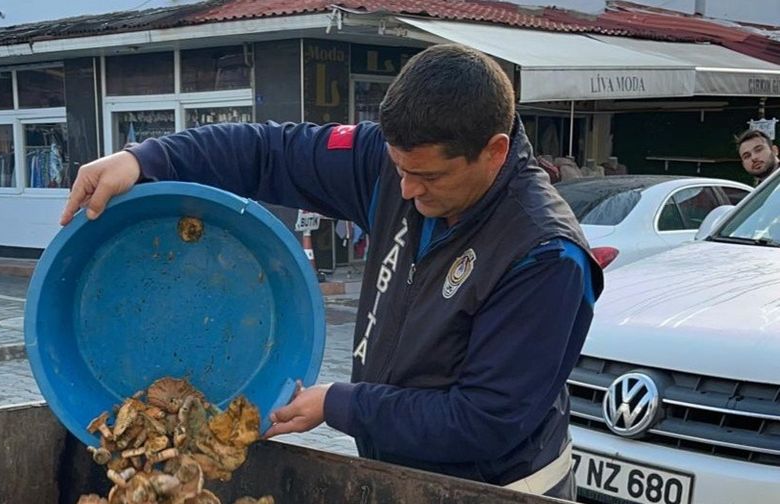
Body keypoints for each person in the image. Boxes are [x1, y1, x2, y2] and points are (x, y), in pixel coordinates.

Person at [60, 44, 603, 499]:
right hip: (404, 473)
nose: (408, 192)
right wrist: (147, 160)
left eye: (428, 176)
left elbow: (482, 423)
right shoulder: (388, 167)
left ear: (494, 151)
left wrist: (341, 403)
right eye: (400, 170)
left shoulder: (544, 256)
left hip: (498, 489)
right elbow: (269, 151)